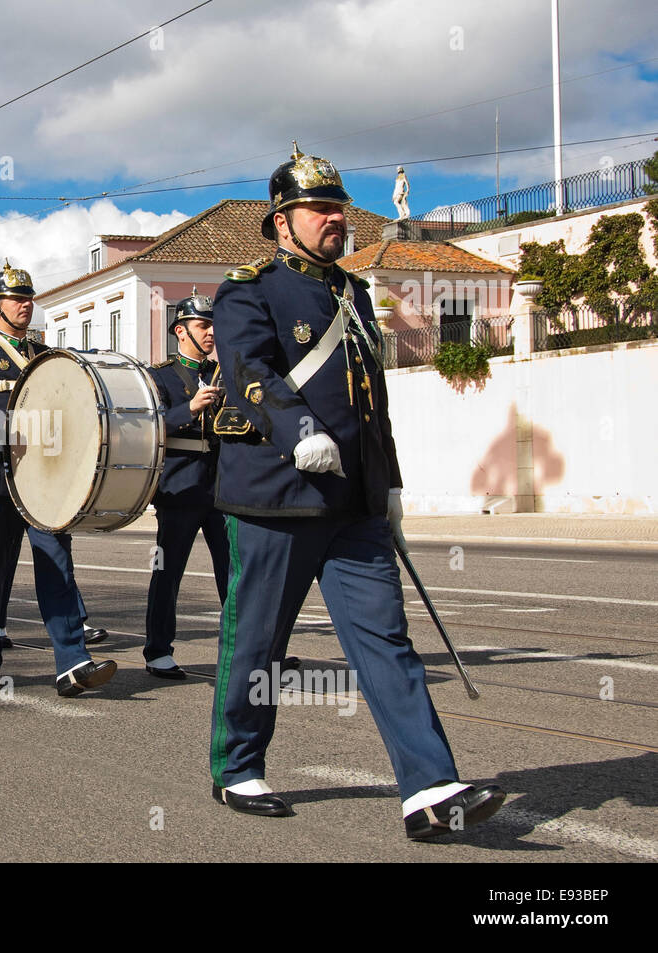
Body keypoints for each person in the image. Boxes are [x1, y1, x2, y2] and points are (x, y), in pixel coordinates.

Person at [208, 144, 504, 838]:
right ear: (282, 222)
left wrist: (388, 482)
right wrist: (298, 428)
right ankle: (236, 766)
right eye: (319, 209)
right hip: (276, 496)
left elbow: (373, 400)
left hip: (354, 505)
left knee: (388, 643)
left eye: (338, 208)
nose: (334, 219)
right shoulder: (249, 288)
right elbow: (251, 372)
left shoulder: (355, 293)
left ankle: (430, 789)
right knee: (257, 641)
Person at [0, 261, 115, 697]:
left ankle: (73, 662)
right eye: (16, 299)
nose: (25, 305)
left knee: (58, 565)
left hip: (44, 482)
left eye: (28, 298)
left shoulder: (45, 355)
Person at [142, 290, 229, 680]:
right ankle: (158, 650)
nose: (211, 332)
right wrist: (189, 408)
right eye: (202, 325)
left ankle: (245, 650)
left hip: (223, 484)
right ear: (181, 330)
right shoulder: (158, 376)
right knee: (168, 571)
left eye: (213, 325)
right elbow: (148, 427)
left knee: (235, 572)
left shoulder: (224, 373)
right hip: (179, 487)